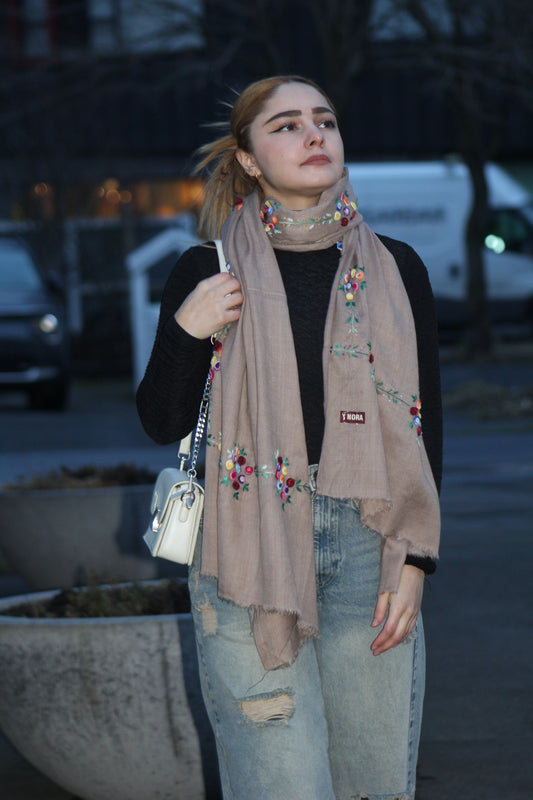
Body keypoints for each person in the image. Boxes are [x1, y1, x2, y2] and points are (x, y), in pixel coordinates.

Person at [136, 74, 442, 800]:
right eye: (285, 125)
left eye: (324, 121)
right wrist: (188, 329)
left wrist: (415, 561)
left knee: (370, 782)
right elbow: (159, 420)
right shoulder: (206, 269)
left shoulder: (396, 269)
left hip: (371, 543)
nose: (313, 135)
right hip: (245, 550)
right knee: (284, 785)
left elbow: (426, 431)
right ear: (246, 158)